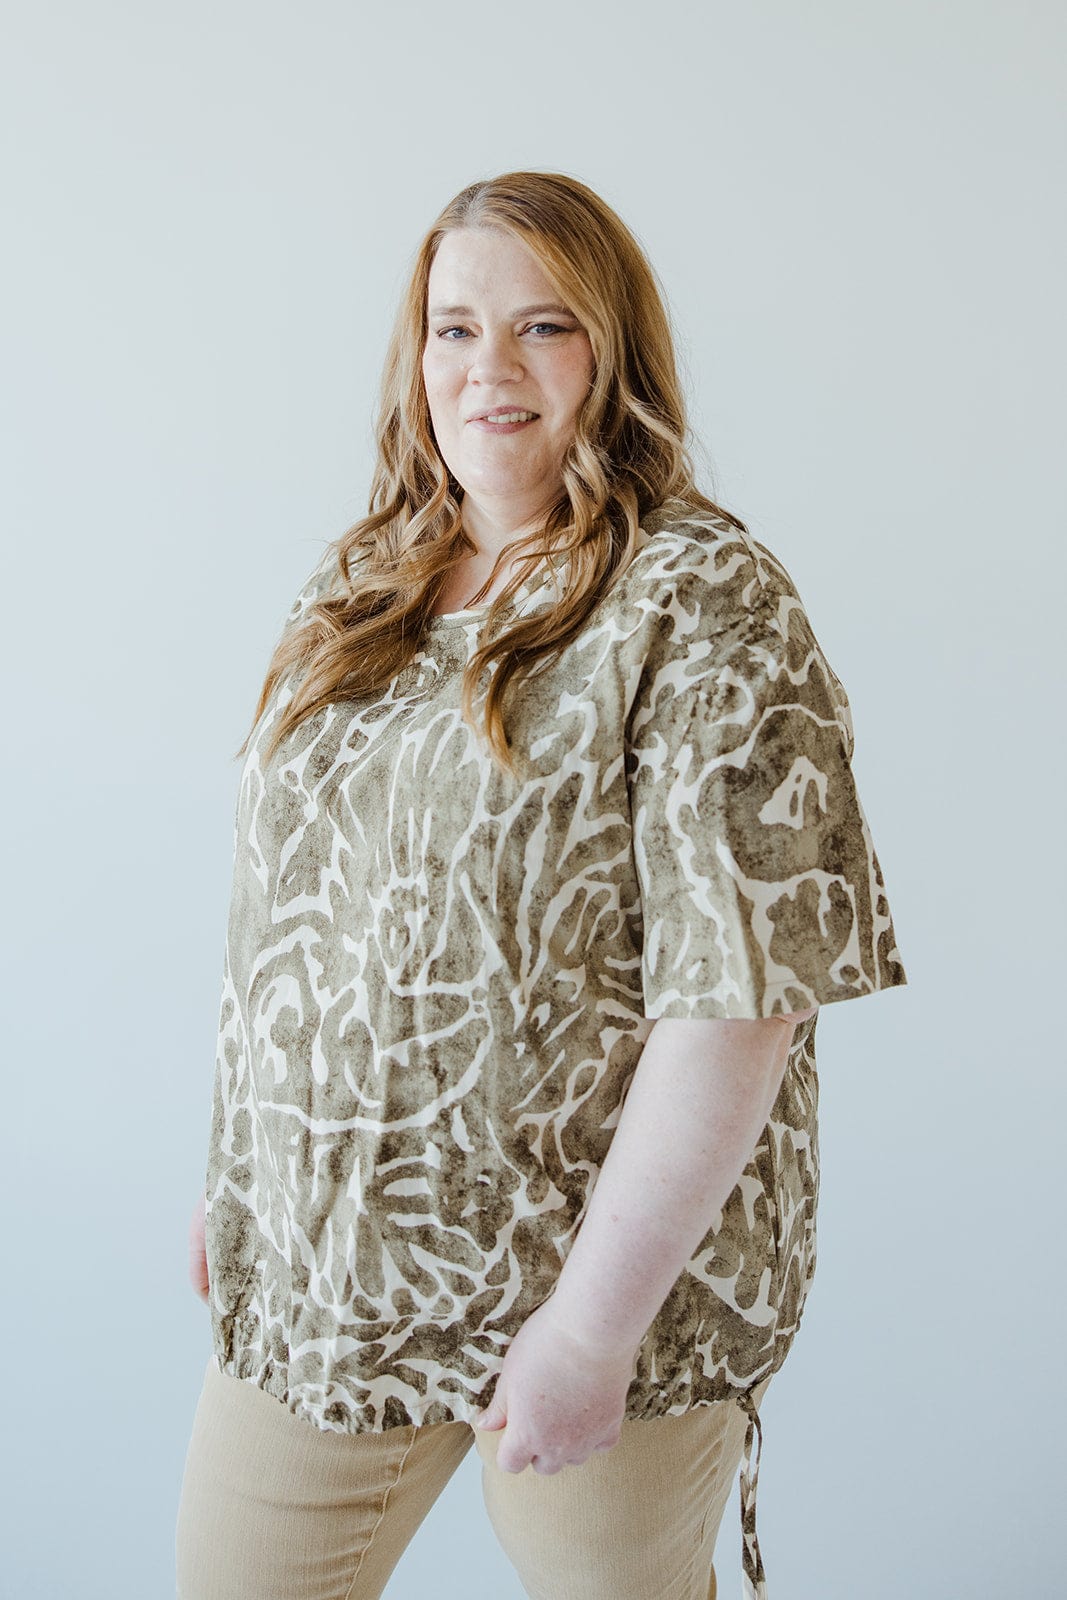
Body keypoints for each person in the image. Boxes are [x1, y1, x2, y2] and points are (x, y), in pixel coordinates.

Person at [175, 169, 907, 1600]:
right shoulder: (365, 581)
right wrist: (250, 1168)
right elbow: (289, 909)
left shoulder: (704, 601)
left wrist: (592, 1327)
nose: (487, 370)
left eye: (542, 327)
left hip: (599, 1286)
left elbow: (740, 999)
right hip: (338, 1268)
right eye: (453, 329)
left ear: (613, 352)